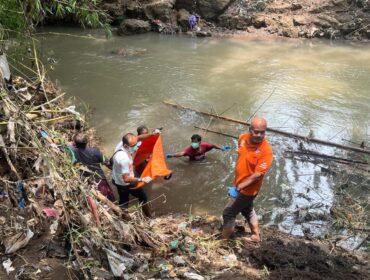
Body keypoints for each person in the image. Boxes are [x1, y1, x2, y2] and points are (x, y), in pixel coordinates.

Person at [222, 117, 273, 242]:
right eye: (256, 131)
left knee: (228, 213)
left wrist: (239, 188)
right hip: (239, 183)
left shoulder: (266, 151)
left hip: (248, 189)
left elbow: (257, 175)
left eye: (262, 132)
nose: (259, 135)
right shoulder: (242, 138)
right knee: (248, 210)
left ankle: (223, 240)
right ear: (250, 130)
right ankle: (255, 236)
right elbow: (241, 150)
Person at [111, 133, 153, 217]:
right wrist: (141, 179)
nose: (136, 146)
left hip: (116, 179)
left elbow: (139, 137)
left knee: (124, 200)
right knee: (143, 197)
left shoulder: (121, 144)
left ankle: (122, 215)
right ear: (126, 146)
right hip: (125, 183)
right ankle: (149, 217)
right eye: (134, 145)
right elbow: (126, 179)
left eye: (136, 143)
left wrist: (153, 133)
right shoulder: (124, 159)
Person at [69, 133, 115, 202]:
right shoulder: (95, 152)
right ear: (87, 142)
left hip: (87, 181)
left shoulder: (73, 152)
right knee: (109, 197)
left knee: (97, 199)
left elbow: (67, 145)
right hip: (99, 178)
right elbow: (107, 163)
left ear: (75, 144)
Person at [166, 134, 230, 161]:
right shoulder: (189, 150)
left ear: (199, 142)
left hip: (203, 159)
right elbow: (181, 153)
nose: (193, 143)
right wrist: (172, 155)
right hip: (192, 162)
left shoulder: (204, 145)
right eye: (192, 141)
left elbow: (213, 146)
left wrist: (221, 148)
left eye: (195, 141)